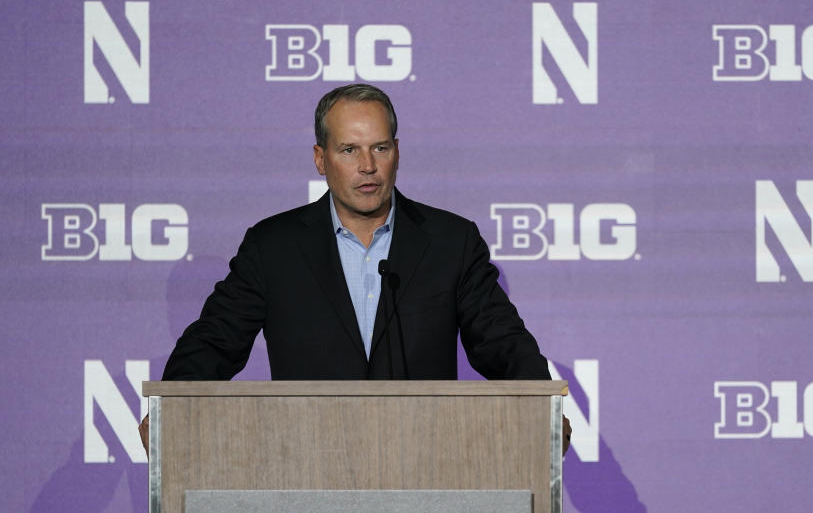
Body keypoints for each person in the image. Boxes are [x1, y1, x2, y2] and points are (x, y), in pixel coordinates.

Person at [138, 83, 570, 451]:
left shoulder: (450, 242)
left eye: (379, 148)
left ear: (397, 153)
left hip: (425, 467)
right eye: (349, 150)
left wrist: (540, 409)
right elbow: (215, 342)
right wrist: (171, 410)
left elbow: (501, 340)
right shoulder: (274, 247)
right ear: (320, 159)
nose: (368, 166)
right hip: (306, 465)